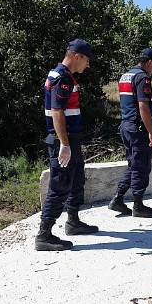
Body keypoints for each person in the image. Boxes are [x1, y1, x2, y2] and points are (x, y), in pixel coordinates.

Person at [36, 39, 99, 251]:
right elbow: (57, 111)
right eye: (87, 60)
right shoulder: (62, 77)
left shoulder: (63, 75)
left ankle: (73, 221)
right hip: (64, 139)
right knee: (60, 184)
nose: (88, 65)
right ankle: (44, 235)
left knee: (76, 179)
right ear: (77, 56)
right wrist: (64, 143)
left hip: (71, 138)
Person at [108, 48, 152, 218]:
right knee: (141, 166)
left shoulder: (126, 75)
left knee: (133, 164)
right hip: (137, 129)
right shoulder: (143, 77)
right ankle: (138, 206)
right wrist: (151, 133)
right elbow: (143, 106)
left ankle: (118, 199)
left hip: (126, 126)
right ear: (150, 62)